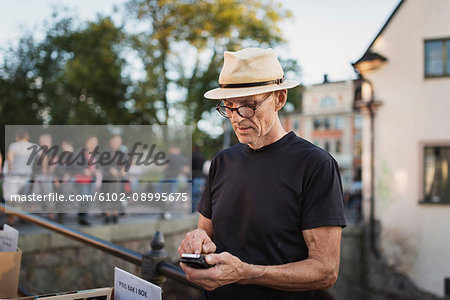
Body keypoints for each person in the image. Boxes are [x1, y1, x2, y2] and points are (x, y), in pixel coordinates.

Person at [178, 48, 346, 300]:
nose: (237, 118)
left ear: (279, 98)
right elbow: (205, 233)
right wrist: (197, 241)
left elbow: (325, 271)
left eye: (248, 106)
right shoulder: (222, 161)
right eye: (229, 107)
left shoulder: (316, 165)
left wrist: (246, 273)